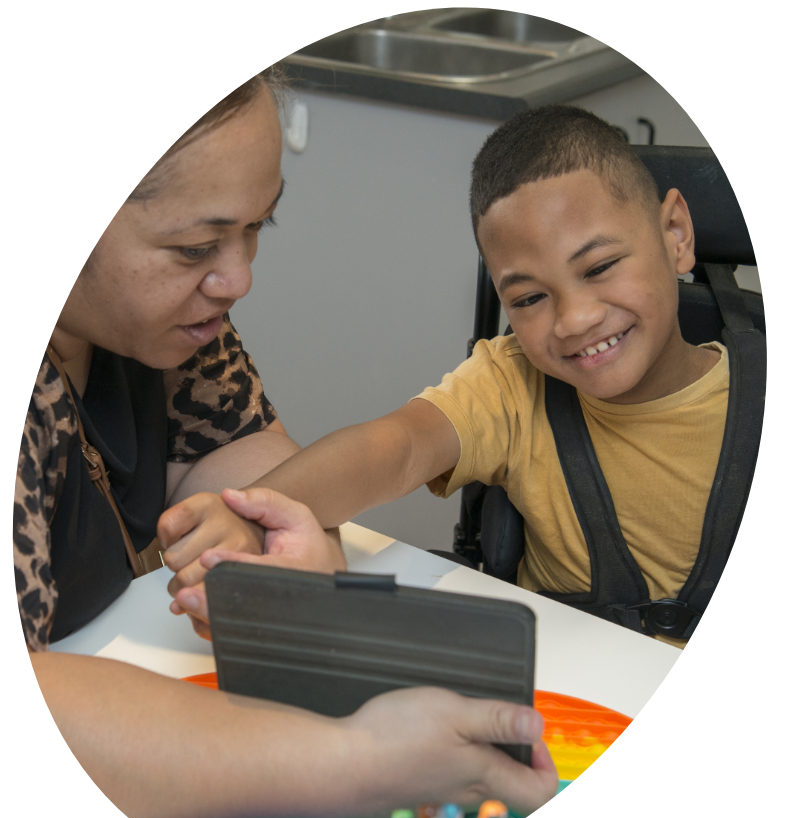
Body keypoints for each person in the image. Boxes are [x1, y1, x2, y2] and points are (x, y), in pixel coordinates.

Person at [16, 71, 558, 818]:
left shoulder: (167, 329)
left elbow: (251, 465)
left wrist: (295, 553)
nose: (237, 278)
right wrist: (352, 762)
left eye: (257, 228)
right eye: (196, 246)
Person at [163, 106, 729, 651]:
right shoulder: (511, 385)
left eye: (600, 267)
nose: (575, 319)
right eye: (530, 298)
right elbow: (398, 447)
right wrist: (253, 518)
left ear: (676, 233)